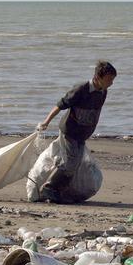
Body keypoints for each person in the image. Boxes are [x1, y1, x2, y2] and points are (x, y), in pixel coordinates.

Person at [37, 60, 117, 203]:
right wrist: (46, 122)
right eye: (109, 79)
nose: (111, 83)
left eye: (113, 80)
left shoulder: (103, 92)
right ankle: (48, 189)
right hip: (70, 131)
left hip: (82, 134)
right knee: (71, 163)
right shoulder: (81, 89)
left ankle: (61, 192)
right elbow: (60, 105)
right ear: (98, 77)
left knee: (75, 163)